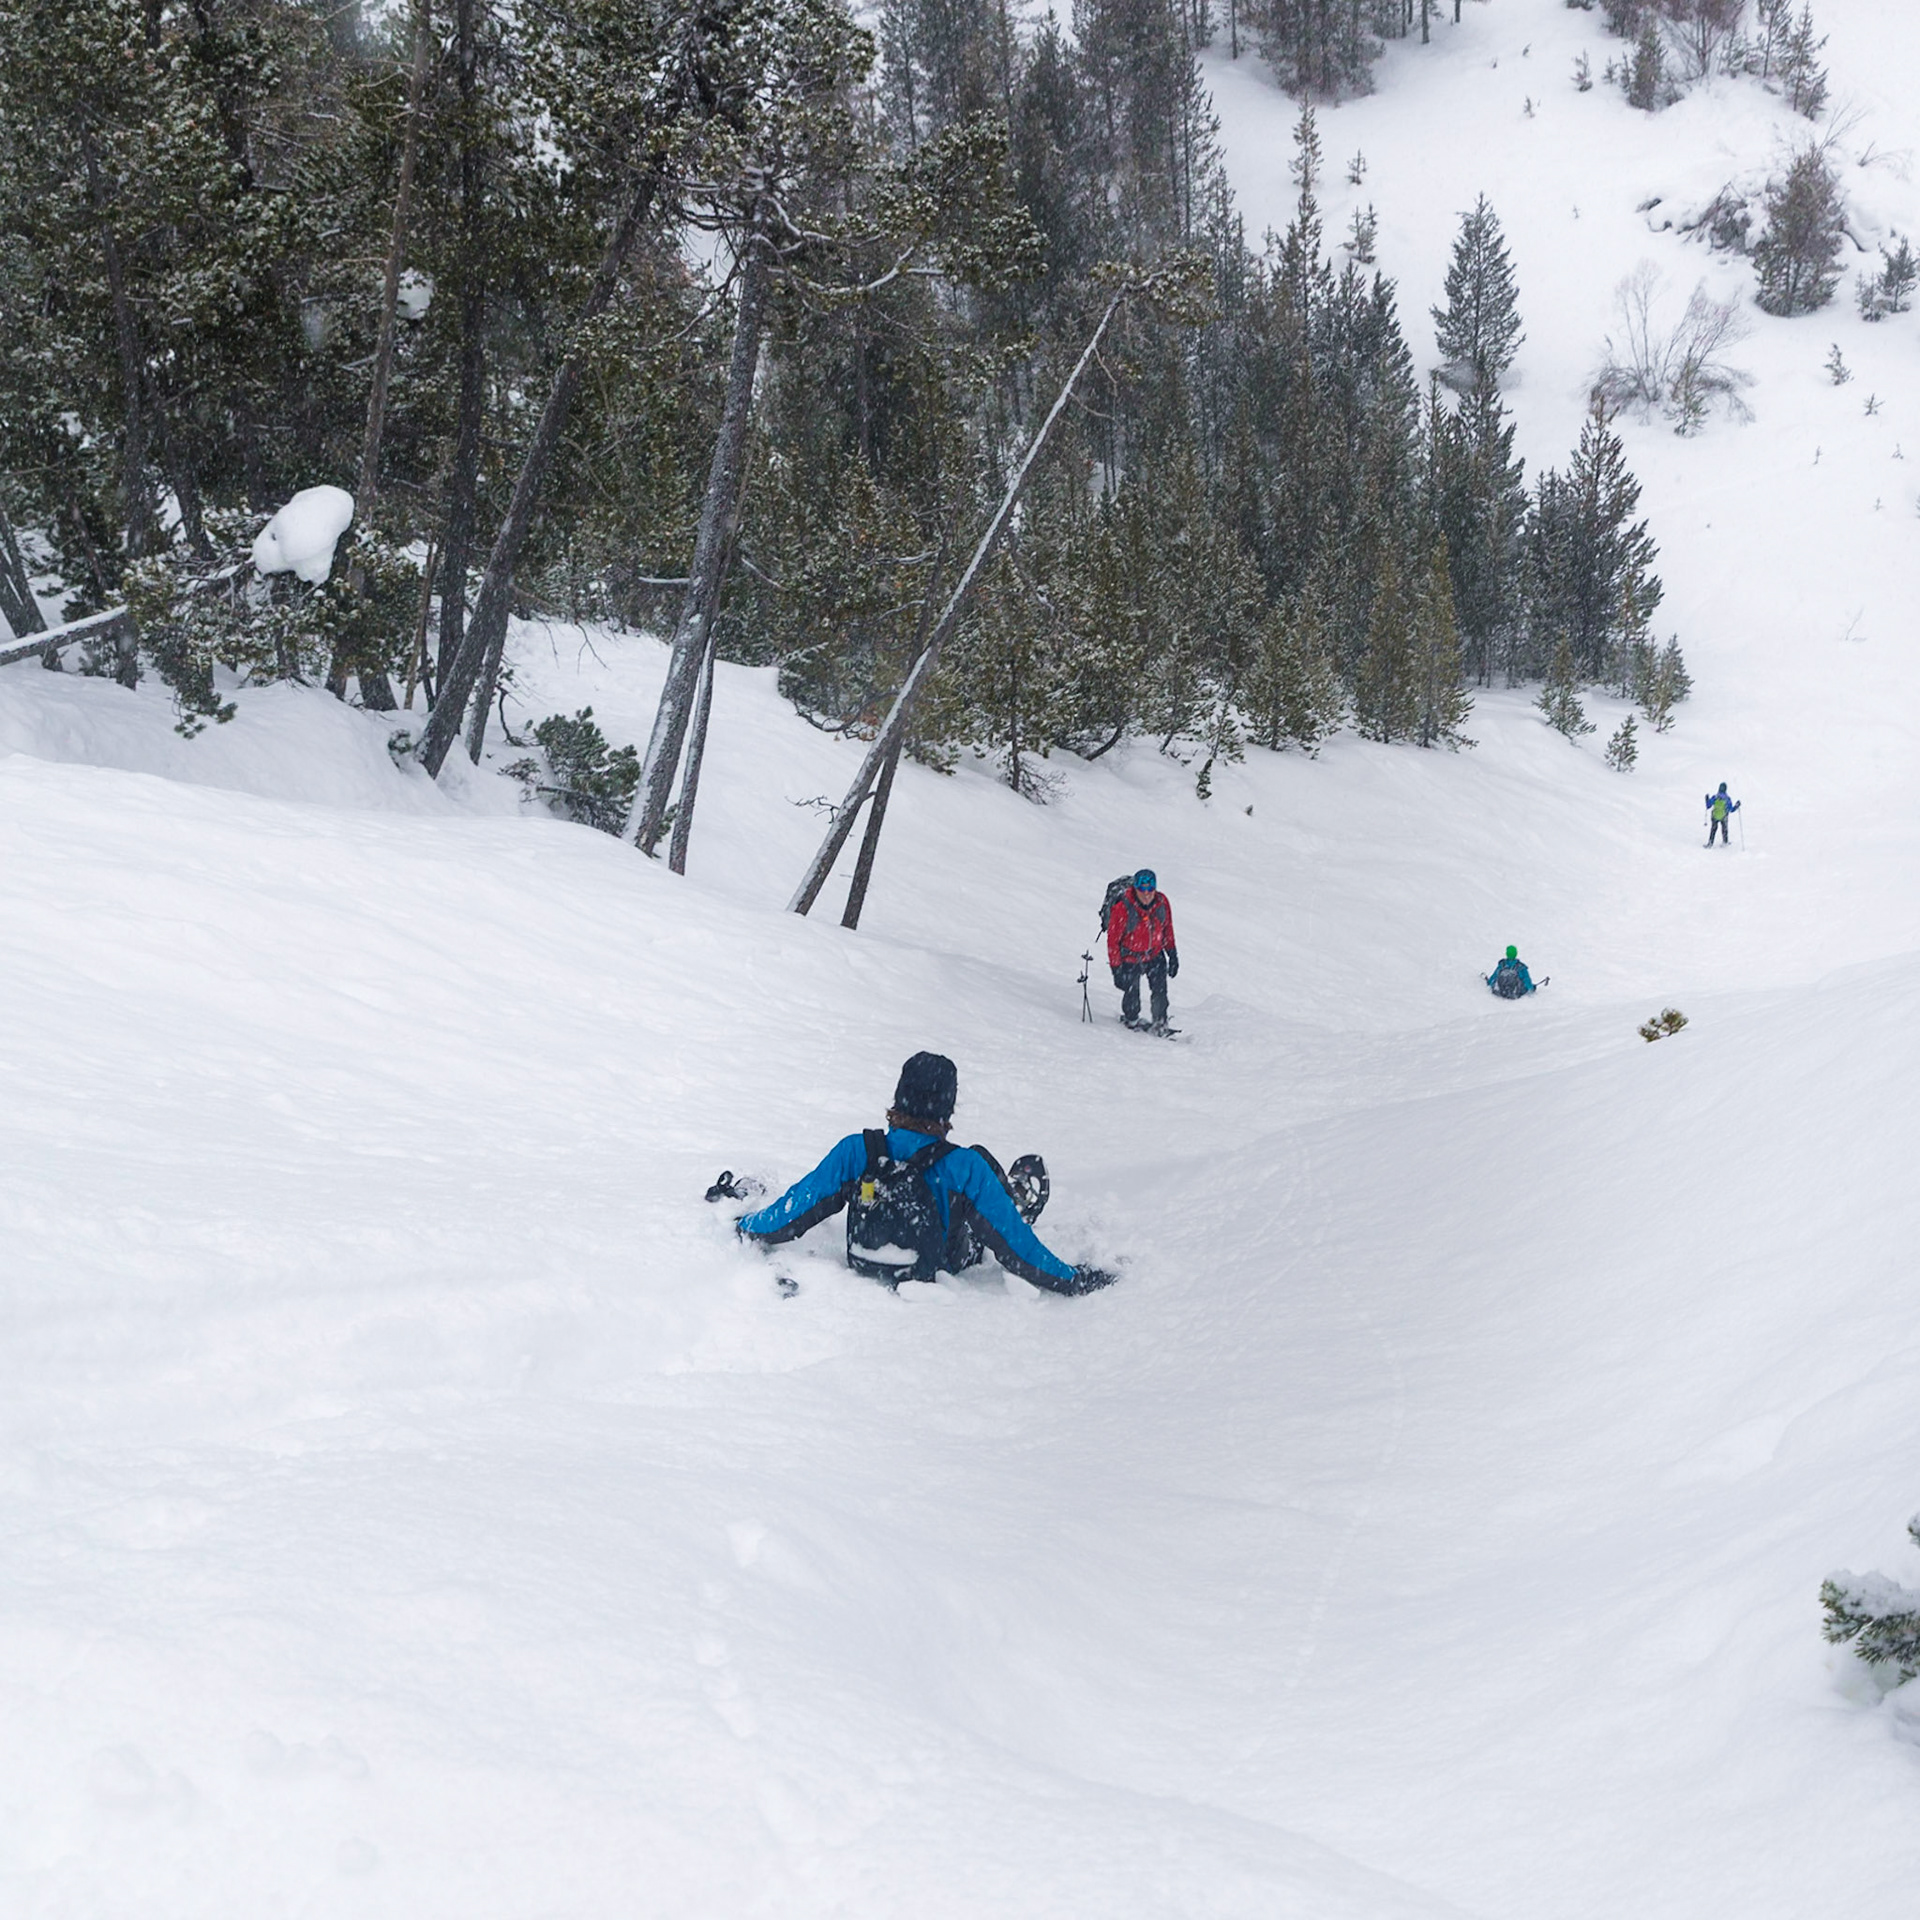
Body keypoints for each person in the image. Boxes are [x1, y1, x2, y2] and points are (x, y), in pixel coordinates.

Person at [733, 1052, 1115, 1295]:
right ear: (947, 1107)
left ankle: (1007, 1203)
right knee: (982, 1168)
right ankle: (1012, 1205)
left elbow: (796, 1209)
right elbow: (1017, 1251)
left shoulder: (857, 1150)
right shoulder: (964, 1165)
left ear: (899, 1096)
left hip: (864, 1259)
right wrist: (1072, 1280)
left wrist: (748, 1226)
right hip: (937, 1266)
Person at [1107, 868, 1178, 1033]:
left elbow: (1167, 929)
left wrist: (1172, 953)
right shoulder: (1122, 908)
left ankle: (1160, 1023)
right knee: (1132, 994)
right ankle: (1131, 1019)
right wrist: (1116, 969)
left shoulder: (1162, 903)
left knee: (1160, 992)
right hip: (1130, 958)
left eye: (1150, 890)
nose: (1146, 894)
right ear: (1135, 889)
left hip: (1155, 954)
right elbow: (1113, 941)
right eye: (1142, 890)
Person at [1705, 782, 1740, 848]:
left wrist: (1707, 799)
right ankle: (1725, 842)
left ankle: (1710, 843)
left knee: (1713, 830)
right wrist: (1737, 805)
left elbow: (1708, 806)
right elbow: (1731, 810)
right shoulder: (1727, 799)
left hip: (1715, 816)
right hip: (1724, 817)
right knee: (1724, 829)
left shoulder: (1715, 797)